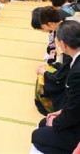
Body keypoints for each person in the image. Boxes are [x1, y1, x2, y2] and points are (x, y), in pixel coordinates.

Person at [32, 21, 80, 154]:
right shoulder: (74, 59)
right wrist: (60, 112)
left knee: (38, 135)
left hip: (76, 125)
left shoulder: (77, 72)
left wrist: (56, 122)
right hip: (73, 113)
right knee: (43, 125)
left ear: (64, 44)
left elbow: (73, 112)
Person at [34, 7, 71, 115]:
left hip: (70, 75)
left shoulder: (63, 34)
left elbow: (60, 77)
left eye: (42, 25)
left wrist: (44, 72)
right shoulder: (66, 25)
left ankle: (48, 107)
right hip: (67, 65)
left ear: (49, 24)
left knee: (44, 77)